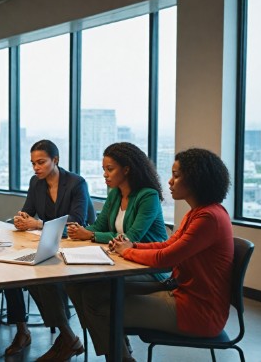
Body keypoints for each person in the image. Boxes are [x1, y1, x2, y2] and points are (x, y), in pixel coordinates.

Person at [88, 148, 233, 361]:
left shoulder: (208, 218)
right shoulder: (198, 213)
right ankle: (120, 355)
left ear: (196, 179)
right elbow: (166, 245)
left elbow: (165, 258)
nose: (170, 182)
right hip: (183, 297)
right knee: (94, 294)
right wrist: (132, 247)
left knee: (102, 309)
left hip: (198, 312)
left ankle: (122, 358)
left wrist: (128, 250)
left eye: (176, 175)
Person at [35, 142, 168, 361]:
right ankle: (117, 347)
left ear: (127, 169)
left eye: (110, 169)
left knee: (92, 293)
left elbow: (132, 237)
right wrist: (84, 231)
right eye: (104, 169)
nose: (104, 174)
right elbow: (100, 226)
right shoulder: (115, 194)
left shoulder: (148, 196)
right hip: (121, 260)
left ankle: (120, 356)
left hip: (149, 267)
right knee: (73, 283)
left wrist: (92, 235)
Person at [4, 139, 95, 357]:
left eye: (41, 162)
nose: (36, 168)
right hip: (49, 245)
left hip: (76, 244)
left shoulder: (76, 183)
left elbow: (76, 222)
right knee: (9, 273)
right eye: (33, 163)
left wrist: (36, 224)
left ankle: (67, 337)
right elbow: (28, 210)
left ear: (55, 160)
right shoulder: (36, 183)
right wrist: (21, 218)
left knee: (41, 276)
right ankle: (22, 330)